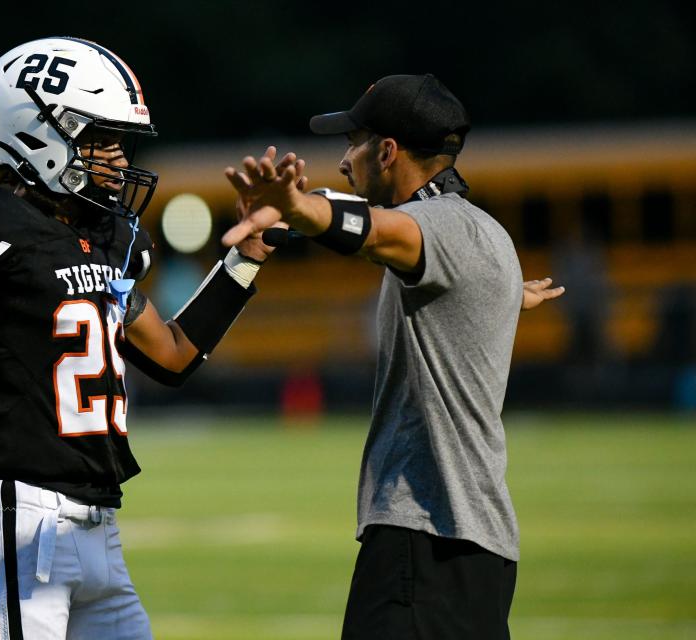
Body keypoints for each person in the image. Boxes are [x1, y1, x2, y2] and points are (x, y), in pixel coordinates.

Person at [0, 37, 290, 640]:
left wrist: (244, 261)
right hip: (21, 517)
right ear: (35, 133)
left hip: (98, 524)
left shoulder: (106, 236)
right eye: (98, 138)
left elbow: (174, 354)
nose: (114, 157)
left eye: (118, 141)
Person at [222, 74, 564, 639]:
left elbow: (374, 232)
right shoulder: (484, 231)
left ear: (387, 151)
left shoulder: (435, 228)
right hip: (476, 547)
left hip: (425, 535)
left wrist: (300, 207)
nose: (343, 161)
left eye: (352, 143)